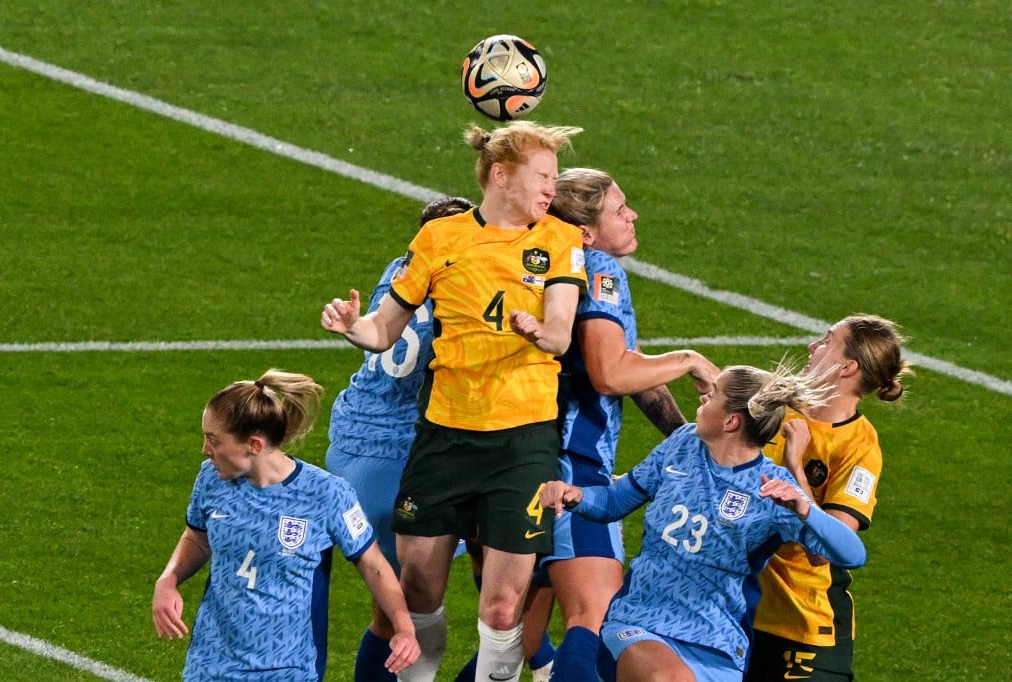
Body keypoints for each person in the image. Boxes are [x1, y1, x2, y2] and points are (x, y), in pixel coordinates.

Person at [321, 120, 588, 682]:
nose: (551, 189)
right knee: (417, 597)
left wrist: (539, 332)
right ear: (500, 175)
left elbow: (562, 332)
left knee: (500, 611)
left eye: (554, 177)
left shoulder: (559, 239)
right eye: (542, 176)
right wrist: (352, 327)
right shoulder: (439, 240)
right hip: (444, 435)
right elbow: (383, 331)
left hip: (523, 441)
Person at [539, 363, 868, 682]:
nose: (702, 399)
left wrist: (806, 508)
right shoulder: (683, 445)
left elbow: (852, 554)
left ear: (731, 422)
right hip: (640, 622)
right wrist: (574, 496)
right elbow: (614, 501)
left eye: (713, 395)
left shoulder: (773, 489)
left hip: (717, 644)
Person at [532, 167, 720, 680]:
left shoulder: (547, 262)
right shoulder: (597, 269)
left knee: (514, 639)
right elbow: (611, 373)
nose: (633, 215)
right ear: (587, 232)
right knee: (593, 620)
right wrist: (689, 359)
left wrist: (689, 439)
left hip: (520, 461)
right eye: (619, 210)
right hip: (573, 469)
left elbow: (630, 369)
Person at [152, 369, 419, 681]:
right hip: (212, 663)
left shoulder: (326, 494)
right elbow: (197, 539)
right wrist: (168, 580)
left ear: (253, 445)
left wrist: (404, 627)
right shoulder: (211, 478)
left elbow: (372, 563)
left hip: (288, 668)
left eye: (214, 440)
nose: (205, 450)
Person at [325, 196, 474, 682]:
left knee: (392, 615)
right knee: (418, 616)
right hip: (406, 456)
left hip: (352, 442)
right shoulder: (465, 284)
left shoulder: (402, 271)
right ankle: (544, 660)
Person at [744, 315, 912, 682]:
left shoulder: (858, 447)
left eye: (827, 340)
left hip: (802, 627)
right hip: (736, 611)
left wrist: (794, 466)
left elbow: (829, 547)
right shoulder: (773, 407)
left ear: (847, 367)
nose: (812, 346)